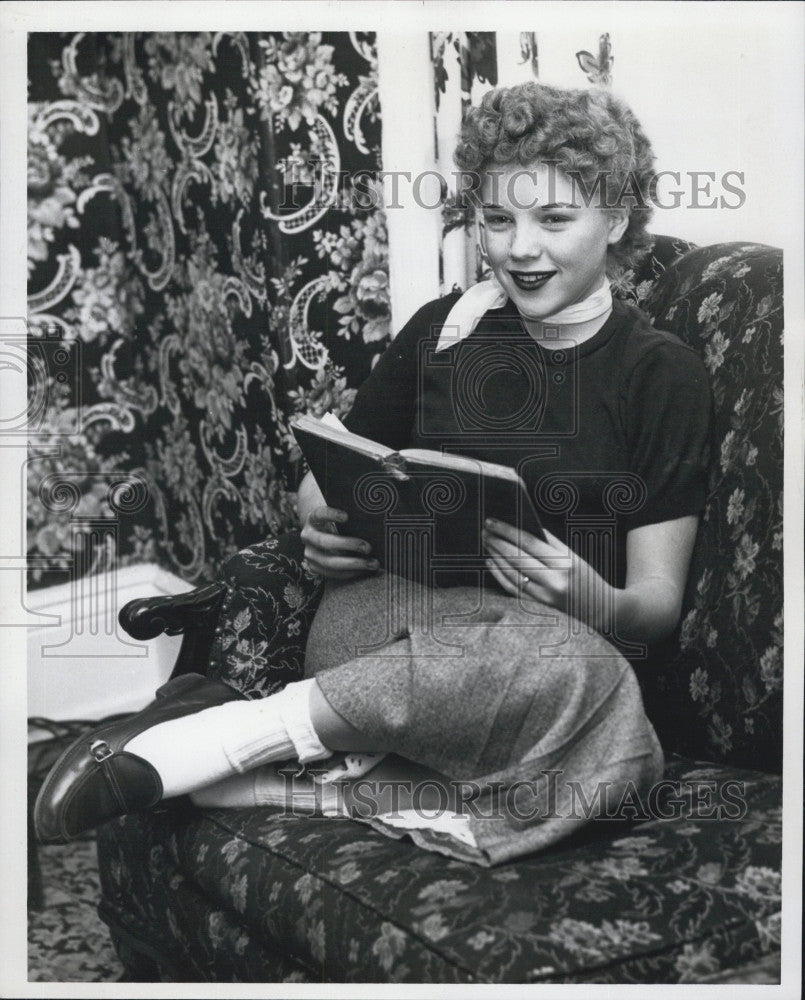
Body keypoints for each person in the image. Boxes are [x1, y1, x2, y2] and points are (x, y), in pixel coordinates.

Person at [35, 81, 713, 866]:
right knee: (575, 694)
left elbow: (656, 606)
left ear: (618, 219)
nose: (520, 249)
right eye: (497, 220)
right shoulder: (441, 331)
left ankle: (248, 758)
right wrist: (318, 519)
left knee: (587, 683)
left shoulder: (661, 373)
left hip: (531, 666)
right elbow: (335, 469)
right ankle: (237, 737)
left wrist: (590, 597)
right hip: (378, 621)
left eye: (555, 220)